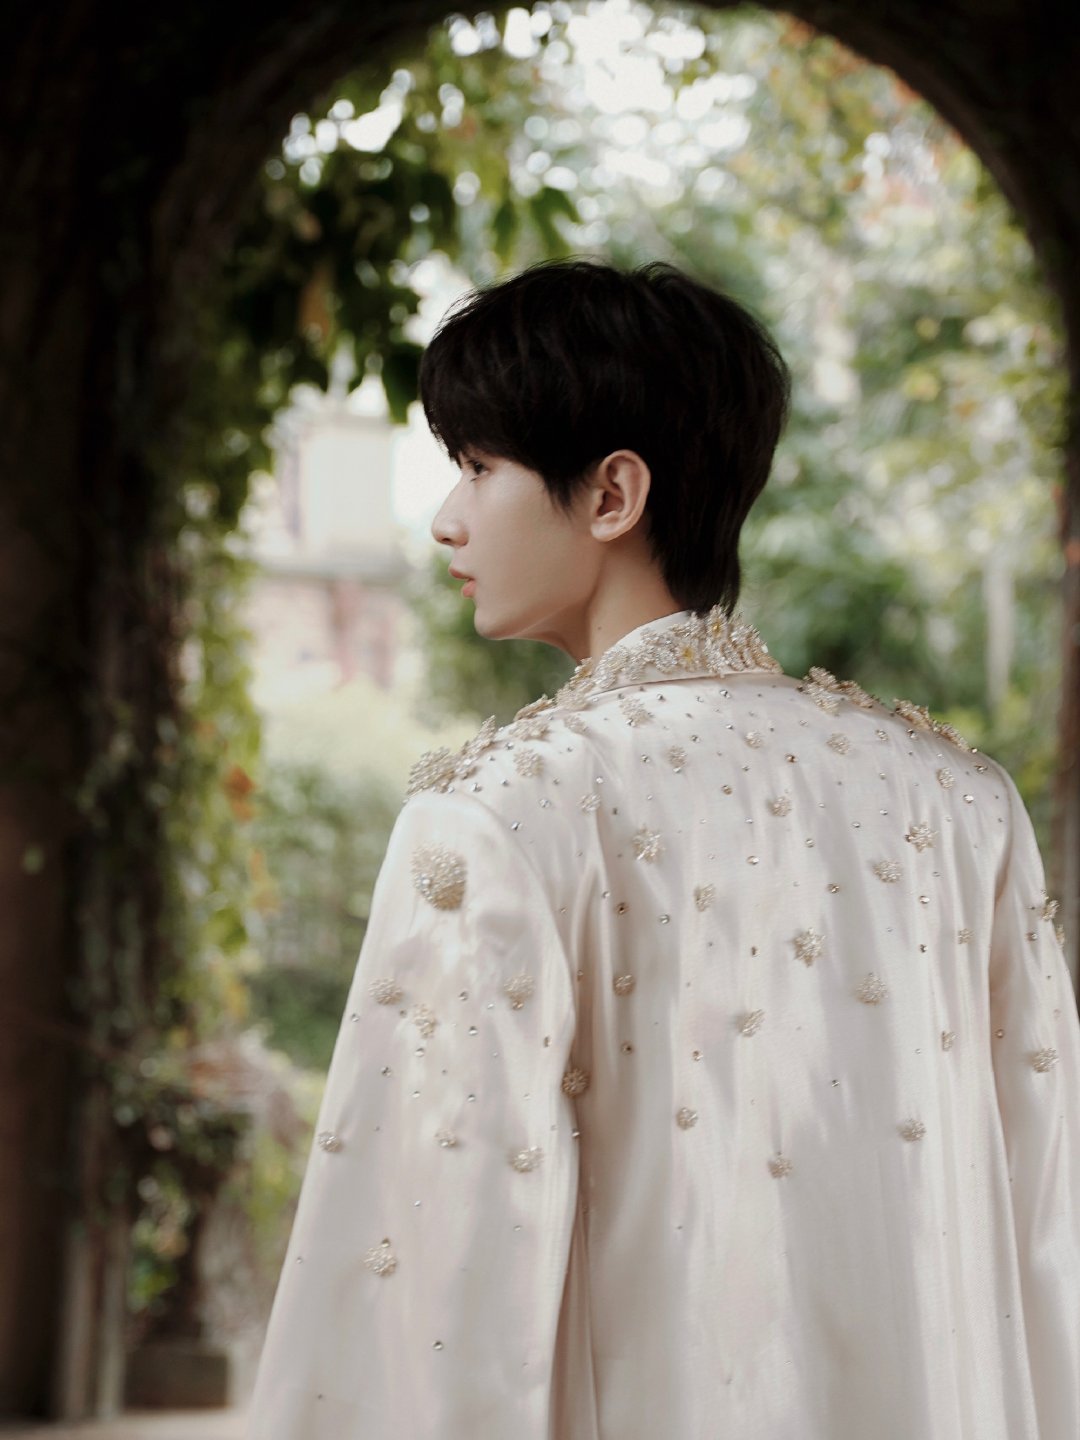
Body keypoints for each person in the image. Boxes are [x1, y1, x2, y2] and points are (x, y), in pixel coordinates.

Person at [245, 259, 1080, 1439]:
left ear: (612, 493)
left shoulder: (498, 817)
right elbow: (1049, 1254)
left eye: (478, 467)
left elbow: (431, 1285)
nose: (446, 519)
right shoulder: (964, 806)